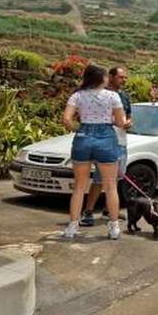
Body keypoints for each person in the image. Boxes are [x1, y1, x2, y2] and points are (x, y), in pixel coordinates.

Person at [62, 64, 127, 239]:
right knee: (110, 186)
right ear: (102, 78)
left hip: (83, 137)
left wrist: (79, 128)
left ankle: (73, 226)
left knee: (79, 186)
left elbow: (66, 119)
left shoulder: (77, 96)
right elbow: (121, 123)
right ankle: (113, 228)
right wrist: (116, 120)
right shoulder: (113, 96)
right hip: (106, 138)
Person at [80, 66, 132, 227]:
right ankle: (88, 212)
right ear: (110, 77)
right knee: (99, 179)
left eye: (125, 78)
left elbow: (128, 115)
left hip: (121, 142)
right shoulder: (100, 95)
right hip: (105, 141)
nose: (123, 80)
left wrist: (128, 122)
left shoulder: (124, 96)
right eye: (120, 77)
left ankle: (109, 210)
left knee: (115, 179)